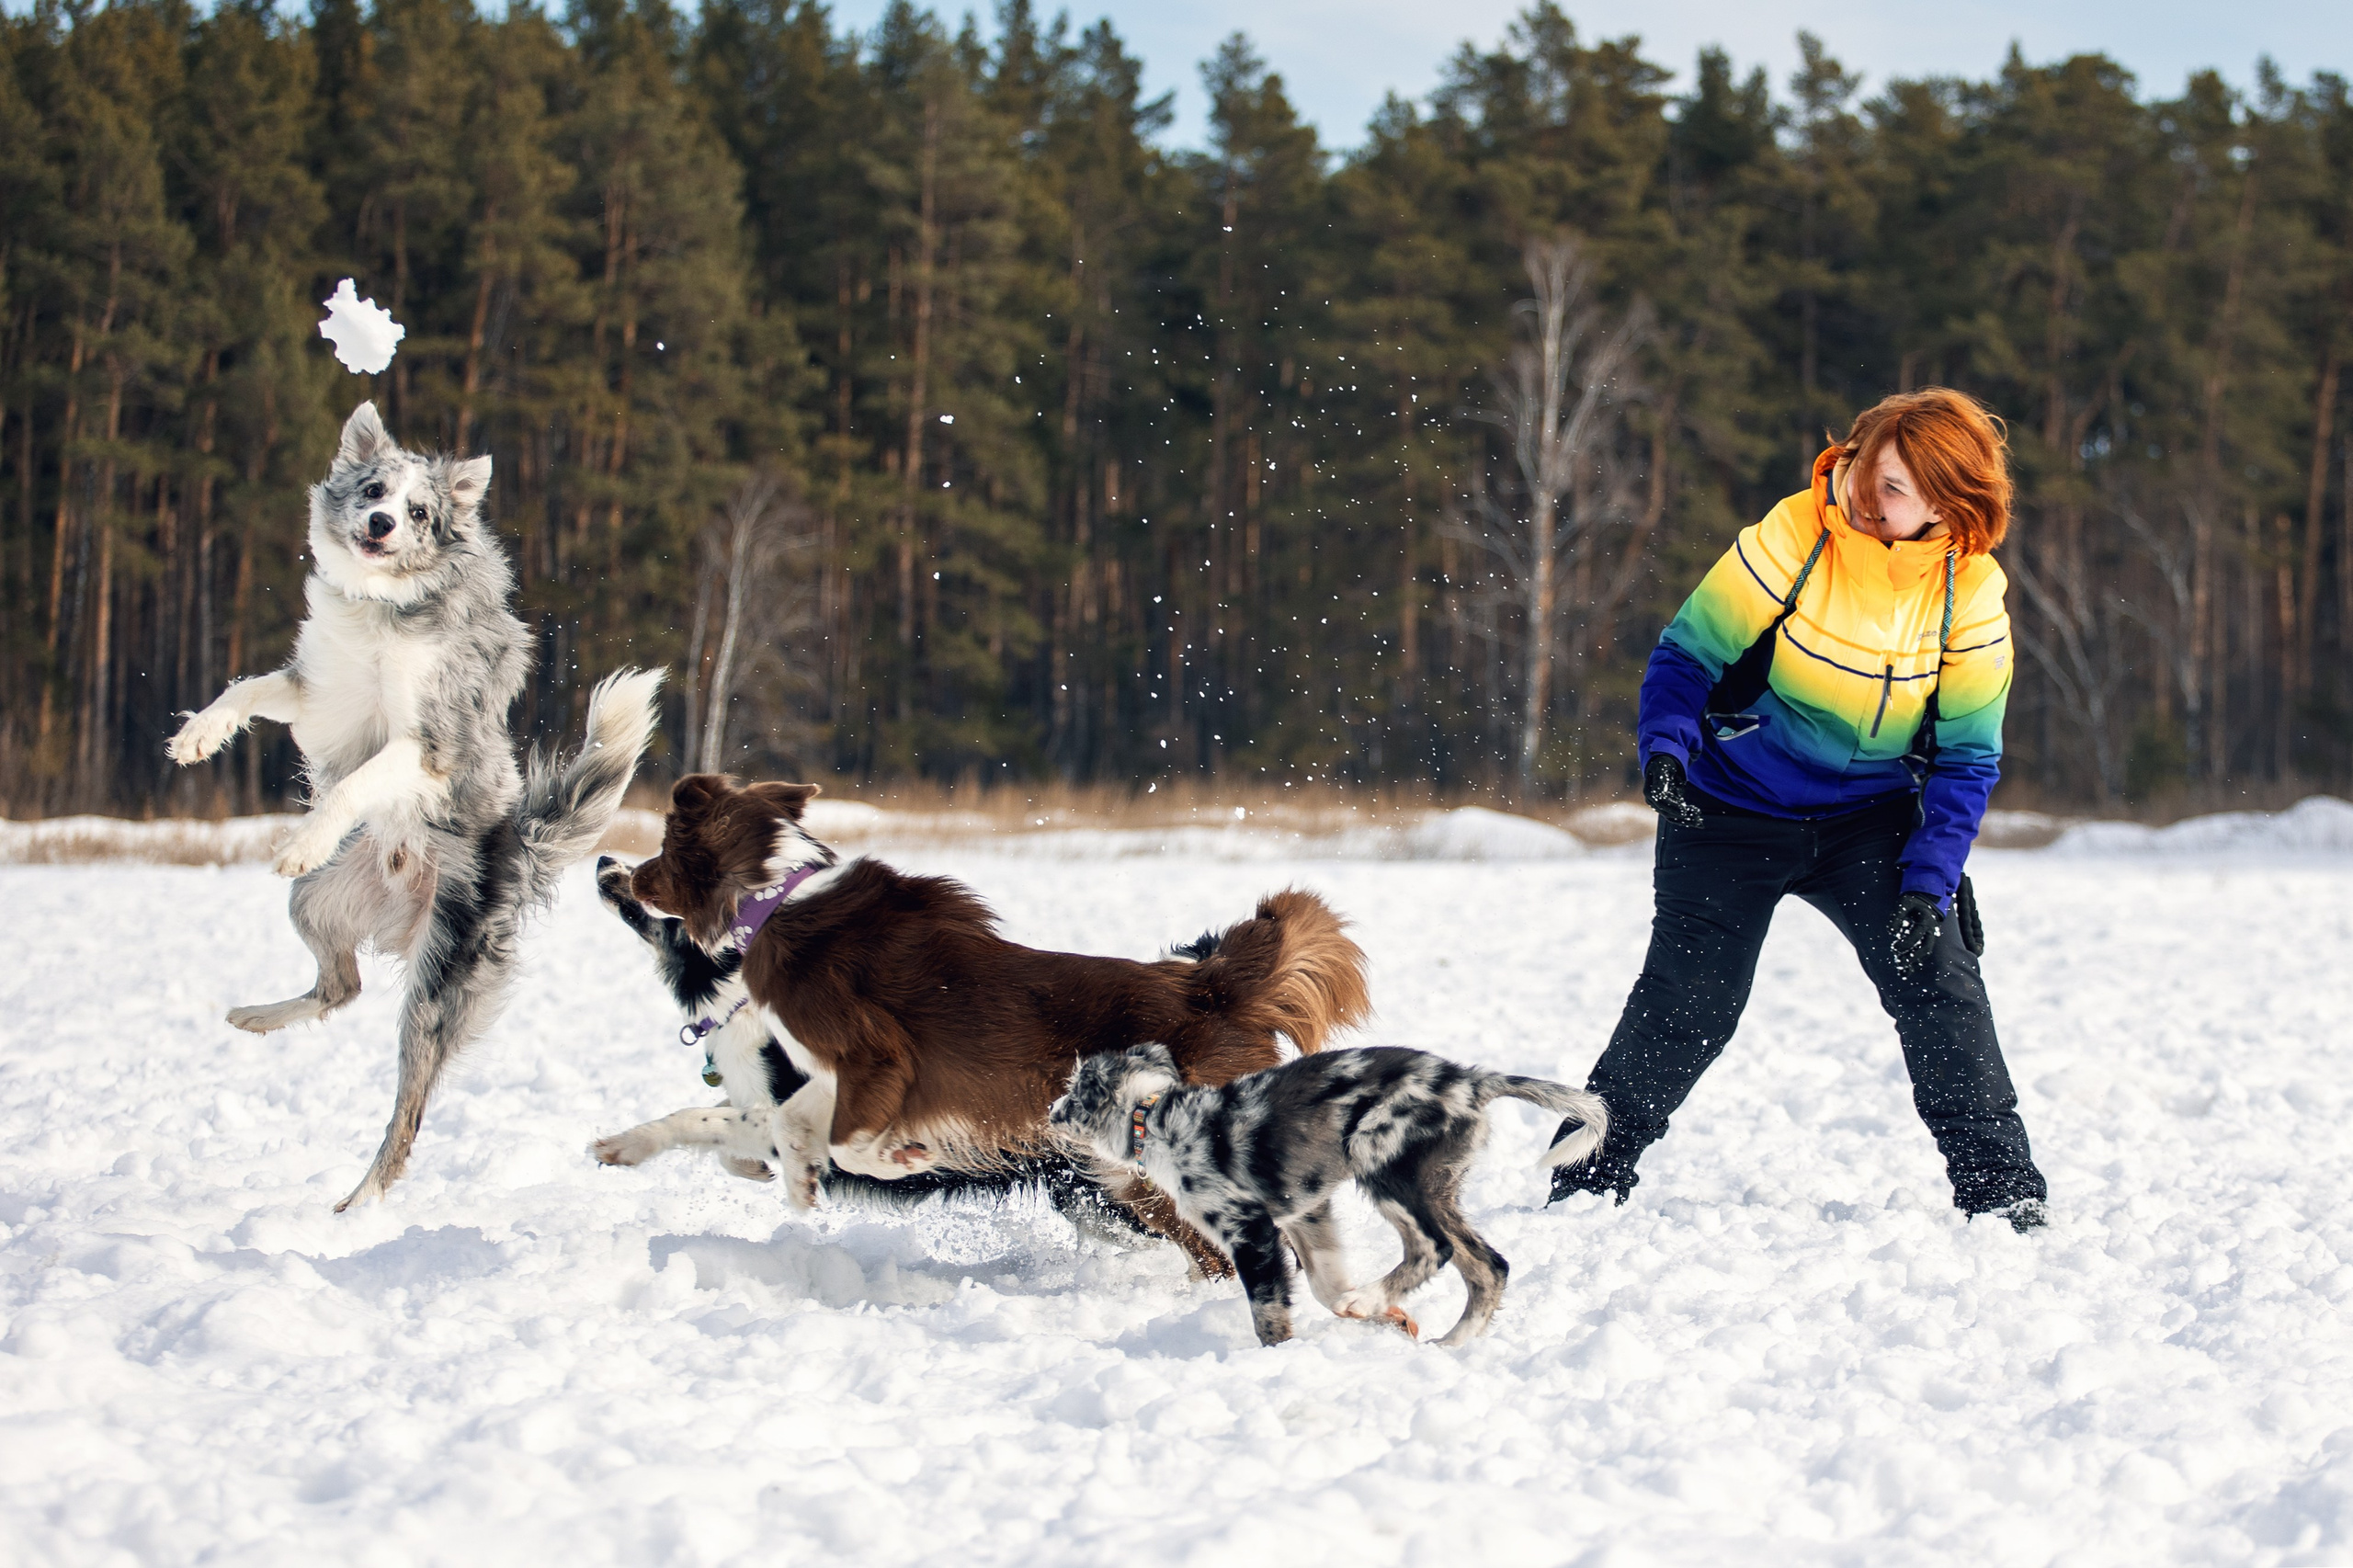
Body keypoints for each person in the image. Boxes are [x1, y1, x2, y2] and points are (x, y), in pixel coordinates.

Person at [1549, 387, 2049, 1231]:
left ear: (1946, 504)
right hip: (1730, 807)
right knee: (1690, 1003)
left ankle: (2004, 1193)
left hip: (1869, 820)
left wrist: (1930, 883)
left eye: (1894, 488)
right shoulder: (1795, 534)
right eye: (1864, 469)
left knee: (1939, 975)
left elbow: (1968, 758)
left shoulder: (1972, 596)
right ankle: (1585, 1180)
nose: (1865, 494)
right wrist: (1666, 751)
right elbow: (1686, 653)